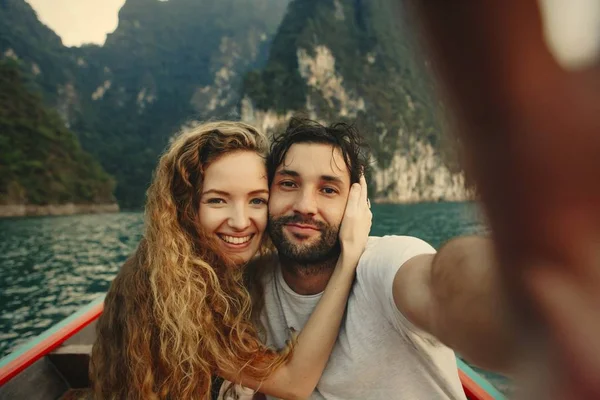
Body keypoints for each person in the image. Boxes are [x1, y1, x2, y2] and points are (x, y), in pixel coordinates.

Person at [89, 121, 372, 400]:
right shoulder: (169, 292)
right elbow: (293, 384)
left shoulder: (214, 272)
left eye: (257, 201)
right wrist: (348, 260)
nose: (240, 222)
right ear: (185, 208)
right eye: (217, 201)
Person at [249, 118, 516, 400]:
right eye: (289, 183)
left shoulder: (386, 263)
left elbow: (442, 284)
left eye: (328, 190)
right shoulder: (252, 287)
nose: (305, 205)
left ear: (356, 201)